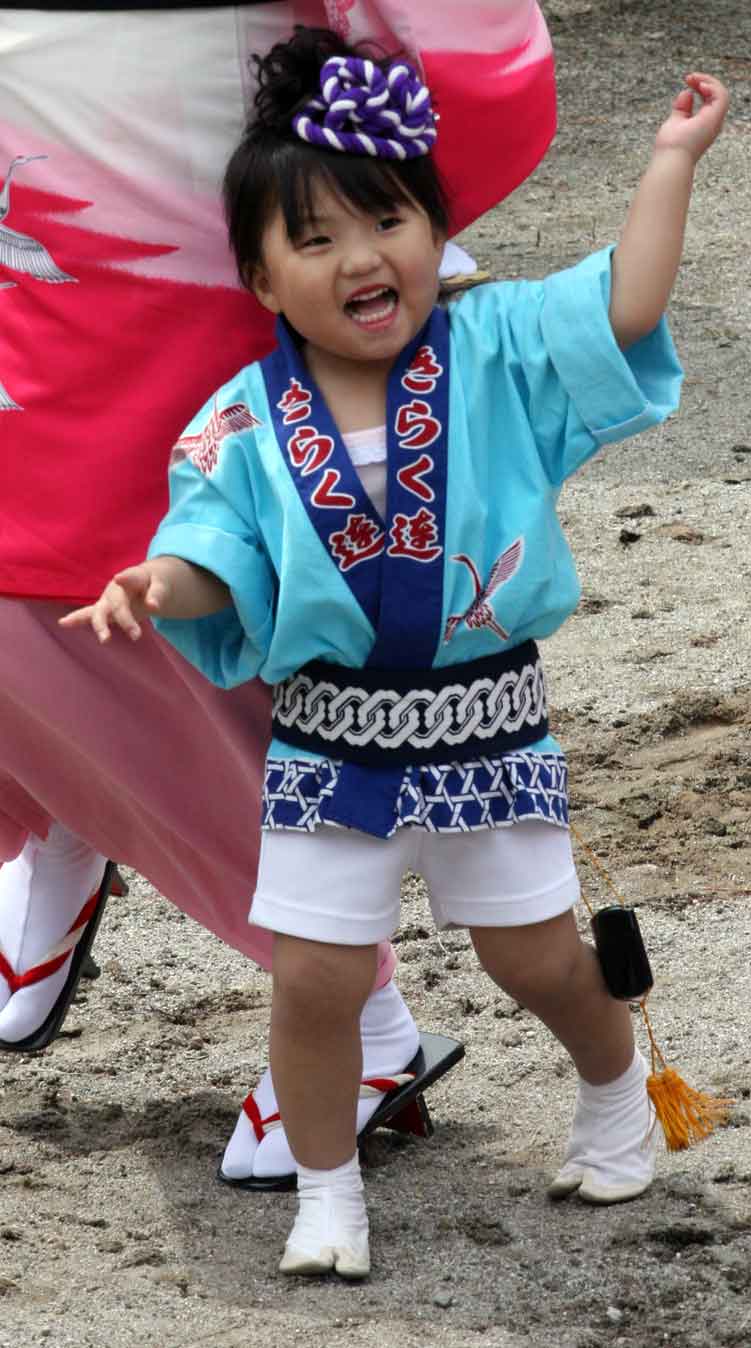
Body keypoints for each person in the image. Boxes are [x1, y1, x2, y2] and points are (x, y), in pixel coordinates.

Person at [65, 28, 728, 1279]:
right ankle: (328, 1193)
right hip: (330, 740)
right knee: (314, 982)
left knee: (530, 955)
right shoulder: (242, 427)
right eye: (313, 242)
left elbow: (622, 304)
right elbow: (215, 549)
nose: (361, 259)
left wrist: (670, 162)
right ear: (261, 283)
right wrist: (160, 580)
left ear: (435, 231)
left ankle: (619, 1088)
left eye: (386, 222)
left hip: (488, 719)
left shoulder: (497, 350)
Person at [0, 1, 556, 1186]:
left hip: (177, 252)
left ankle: (351, 1021)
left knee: (74, 573)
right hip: (51, 192)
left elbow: (486, 71)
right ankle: (65, 810)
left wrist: (343, 237)